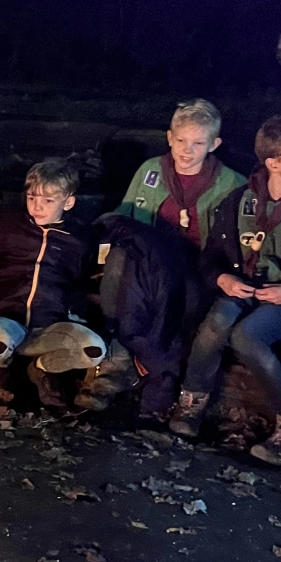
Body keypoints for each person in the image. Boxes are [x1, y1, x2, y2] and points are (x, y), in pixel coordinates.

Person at [84, 99, 245, 415]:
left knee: (169, 299)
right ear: (170, 137)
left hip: (196, 268)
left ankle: (153, 370)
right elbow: (126, 215)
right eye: (181, 141)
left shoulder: (231, 184)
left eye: (198, 143)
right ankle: (118, 358)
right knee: (119, 259)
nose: (187, 151)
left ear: (214, 144)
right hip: (149, 261)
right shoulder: (151, 171)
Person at [170, 116, 281, 463]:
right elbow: (212, 259)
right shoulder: (240, 202)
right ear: (274, 163)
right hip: (247, 289)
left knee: (248, 337)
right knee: (217, 322)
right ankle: (191, 402)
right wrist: (223, 279)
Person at [0, 157, 105, 408]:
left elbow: (80, 280)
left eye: (48, 201)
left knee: (93, 350)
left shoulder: (79, 239)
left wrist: (71, 307)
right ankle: (0, 367)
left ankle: (42, 369)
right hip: (7, 320)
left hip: (51, 324)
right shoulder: (7, 226)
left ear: (68, 202)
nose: (37, 207)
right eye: (32, 198)